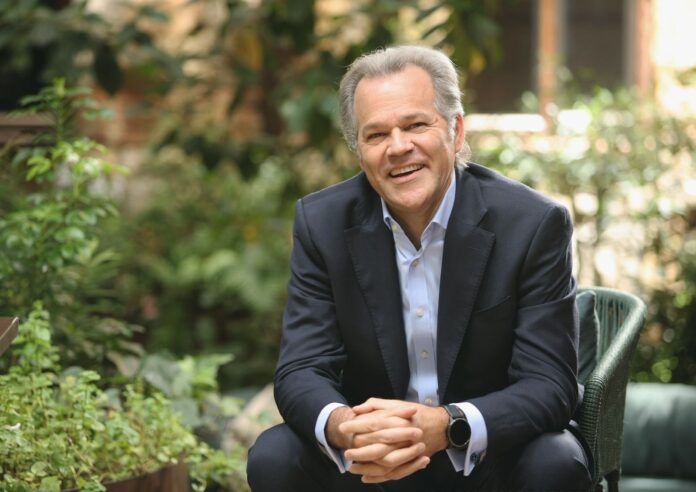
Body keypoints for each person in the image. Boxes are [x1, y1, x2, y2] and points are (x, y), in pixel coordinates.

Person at [247, 45, 592, 492]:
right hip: (370, 461)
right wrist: (347, 427)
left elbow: (549, 384)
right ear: (359, 152)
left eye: (415, 125)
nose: (398, 147)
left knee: (556, 460)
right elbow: (301, 368)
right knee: (274, 455)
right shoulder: (322, 224)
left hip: (485, 456)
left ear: (455, 130)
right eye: (376, 135)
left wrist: (448, 426)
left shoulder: (532, 224)